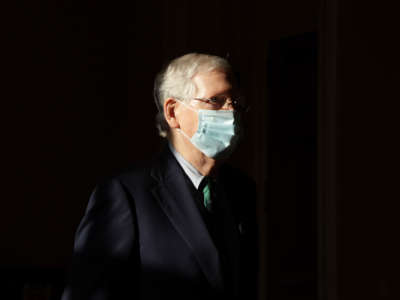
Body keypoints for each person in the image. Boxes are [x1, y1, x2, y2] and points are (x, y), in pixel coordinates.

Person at [62, 53, 258, 300]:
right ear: (173, 112)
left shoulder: (241, 189)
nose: (231, 113)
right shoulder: (126, 194)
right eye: (215, 101)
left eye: (235, 103)